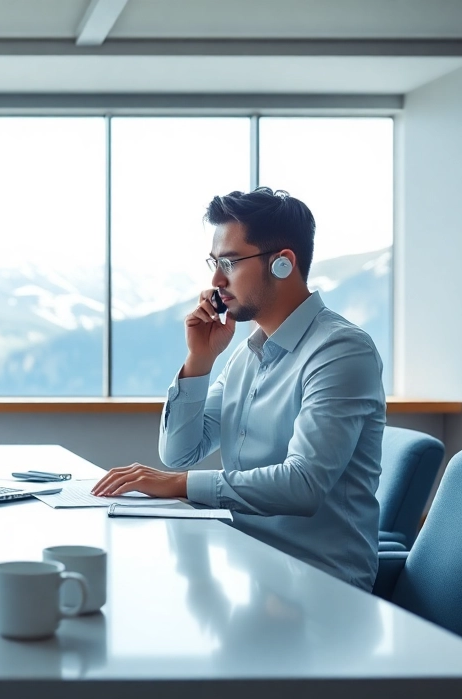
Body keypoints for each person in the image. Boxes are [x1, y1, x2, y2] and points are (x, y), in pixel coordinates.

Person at [92, 187, 385, 591]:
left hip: (319, 587)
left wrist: (179, 486)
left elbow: (303, 486)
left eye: (229, 262)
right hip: (247, 569)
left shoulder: (340, 351)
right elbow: (179, 452)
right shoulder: (248, 353)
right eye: (214, 262)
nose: (215, 280)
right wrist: (200, 360)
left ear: (283, 264)